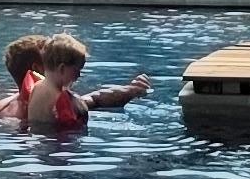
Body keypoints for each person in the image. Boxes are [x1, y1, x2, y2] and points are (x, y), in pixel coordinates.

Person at [18, 30, 151, 128]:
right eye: (77, 70)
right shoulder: (60, 99)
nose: (79, 75)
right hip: (57, 150)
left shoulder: (37, 87)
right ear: (62, 68)